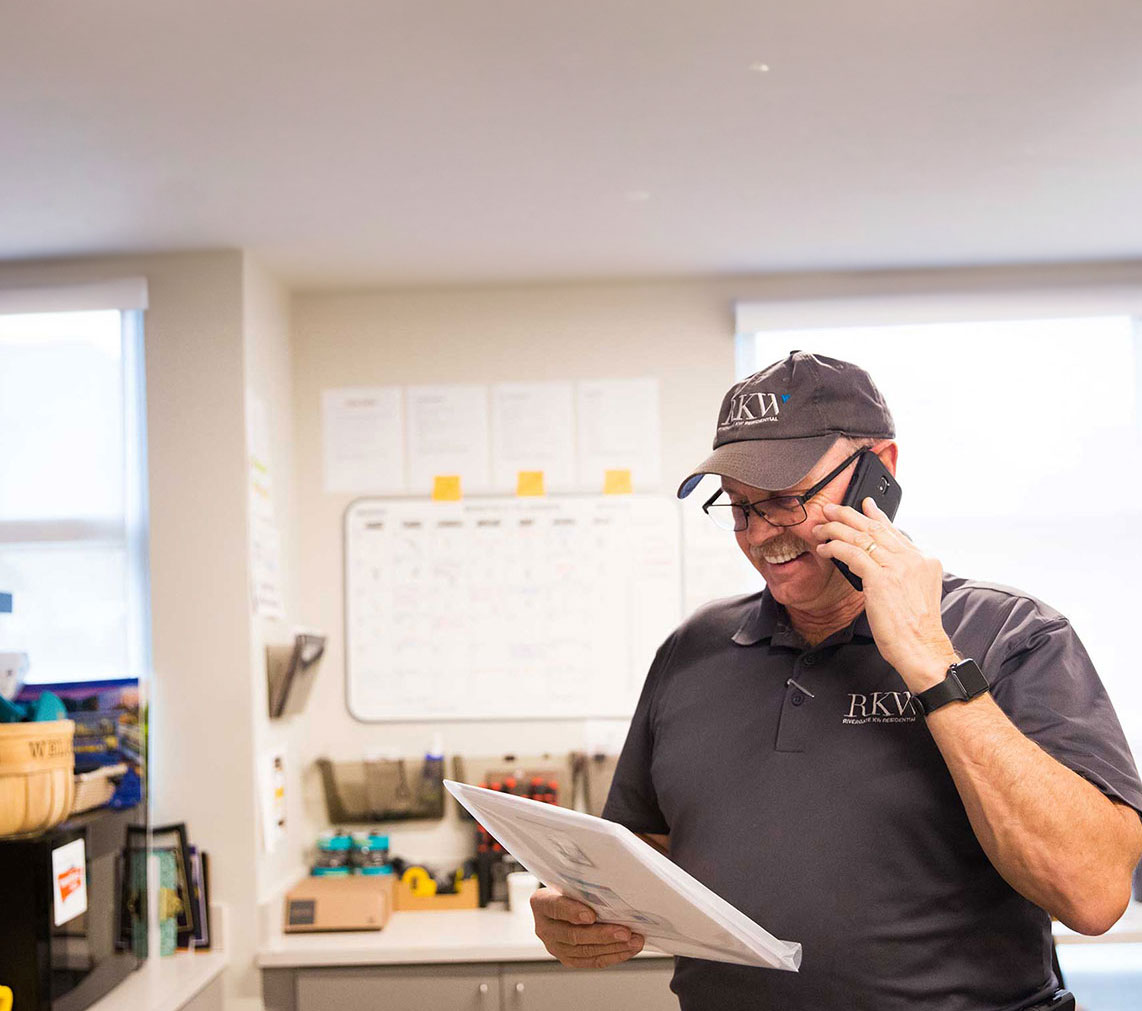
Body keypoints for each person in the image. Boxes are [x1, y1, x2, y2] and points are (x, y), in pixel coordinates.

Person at [531, 351, 1142, 1010]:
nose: (760, 534)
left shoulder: (1014, 635)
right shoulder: (692, 649)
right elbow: (645, 854)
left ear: (882, 470)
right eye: (736, 506)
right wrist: (578, 909)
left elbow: (1094, 892)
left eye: (786, 500)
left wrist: (929, 657)